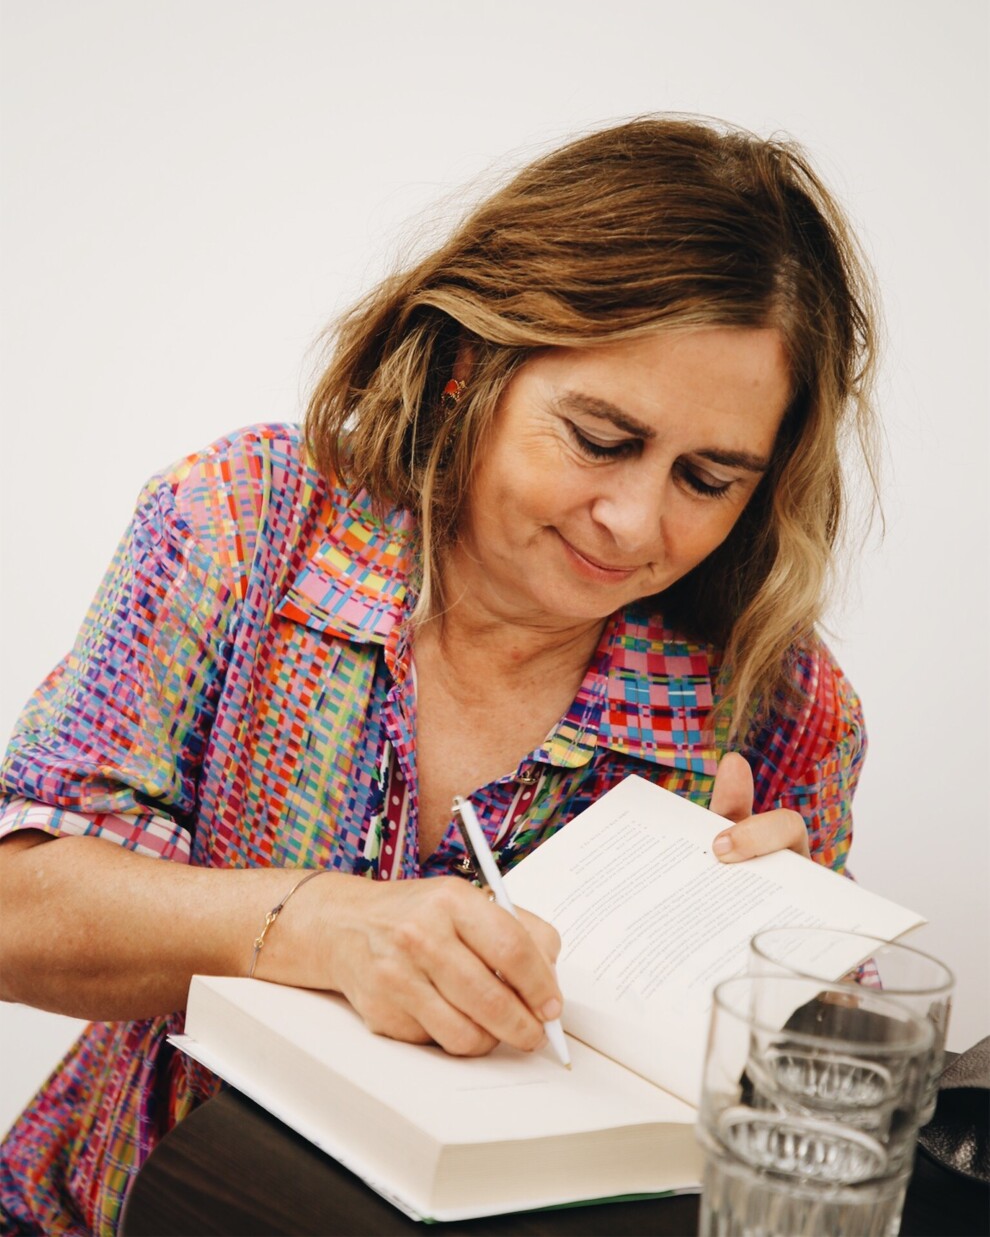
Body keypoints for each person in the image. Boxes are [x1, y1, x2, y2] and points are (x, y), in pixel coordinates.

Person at [0, 116, 878, 1236]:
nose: (633, 520)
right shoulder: (244, 523)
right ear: (471, 365)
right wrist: (319, 927)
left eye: (707, 479)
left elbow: (816, 1131)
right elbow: (17, 914)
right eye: (600, 437)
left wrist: (783, 984)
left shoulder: (783, 706)